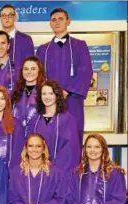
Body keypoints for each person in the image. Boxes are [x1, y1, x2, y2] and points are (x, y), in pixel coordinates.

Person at [36, 8, 92, 143]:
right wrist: (50, 93)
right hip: (49, 101)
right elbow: (39, 76)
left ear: (68, 21)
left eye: (61, 19)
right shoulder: (43, 49)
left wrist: (67, 91)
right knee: (48, 136)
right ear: (50, 23)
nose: (57, 22)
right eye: (53, 20)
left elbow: (85, 71)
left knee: (72, 136)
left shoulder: (80, 45)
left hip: (72, 100)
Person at [27, 80, 80, 174]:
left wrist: (53, 169)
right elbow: (28, 147)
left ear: (57, 95)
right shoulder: (34, 121)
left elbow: (70, 150)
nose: (47, 97)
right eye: (44, 94)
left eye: (51, 93)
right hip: (38, 172)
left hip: (61, 173)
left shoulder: (68, 119)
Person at [0, 4, 34, 71]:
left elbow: (30, 65)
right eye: (4, 15)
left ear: (15, 18)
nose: (7, 18)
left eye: (10, 15)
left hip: (19, 80)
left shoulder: (26, 40)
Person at [11, 56, 47, 136]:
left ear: (39, 71)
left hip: (37, 137)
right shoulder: (14, 92)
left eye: (33, 69)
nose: (29, 72)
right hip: (16, 135)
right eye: (26, 69)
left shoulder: (45, 92)